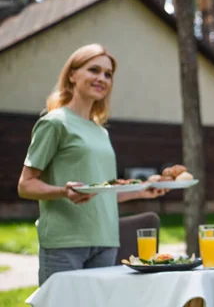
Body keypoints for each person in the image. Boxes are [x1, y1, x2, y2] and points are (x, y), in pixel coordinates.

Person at [17, 44, 167, 286]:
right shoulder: (55, 123)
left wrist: (142, 191)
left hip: (105, 241)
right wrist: (63, 192)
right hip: (65, 242)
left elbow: (101, 193)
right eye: (94, 70)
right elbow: (26, 185)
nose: (102, 78)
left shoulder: (100, 132)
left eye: (108, 74)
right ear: (72, 75)